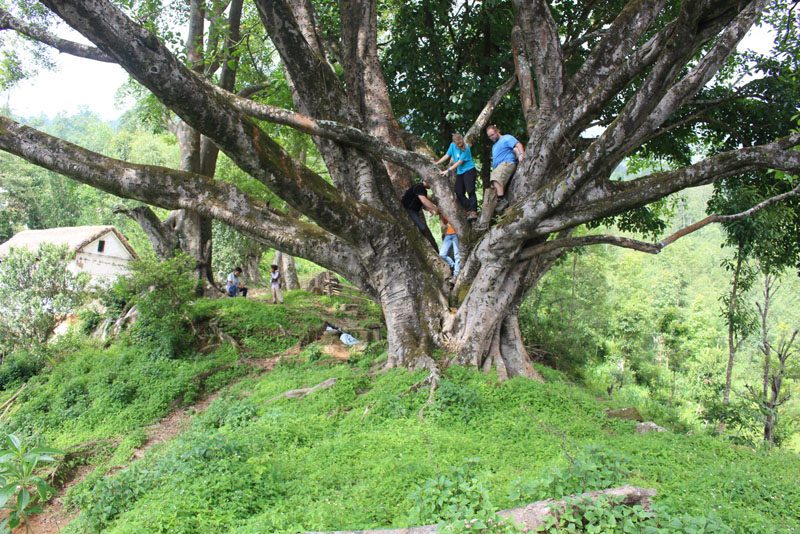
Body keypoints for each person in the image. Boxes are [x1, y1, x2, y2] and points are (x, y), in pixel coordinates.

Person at [435, 133, 478, 221]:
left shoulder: (466, 148)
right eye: (457, 144)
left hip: (469, 170)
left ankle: (473, 211)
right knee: (458, 192)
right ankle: (469, 208)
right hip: (460, 172)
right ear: (454, 143)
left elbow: (459, 162)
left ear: (462, 140)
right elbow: (447, 155)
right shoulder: (452, 146)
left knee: (470, 190)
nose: (459, 145)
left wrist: (447, 170)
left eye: (460, 143)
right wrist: (437, 163)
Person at [486, 125, 524, 213]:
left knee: (495, 176)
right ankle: (498, 207)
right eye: (489, 136)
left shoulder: (506, 138)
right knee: (492, 188)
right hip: (499, 168)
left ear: (497, 131)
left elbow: (517, 145)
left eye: (492, 134)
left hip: (507, 163)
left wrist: (521, 154)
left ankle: (502, 200)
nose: (491, 137)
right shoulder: (494, 146)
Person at [401, 179, 440, 251]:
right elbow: (424, 201)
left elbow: (423, 204)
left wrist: (430, 210)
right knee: (422, 227)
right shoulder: (419, 187)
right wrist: (435, 209)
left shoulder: (423, 191)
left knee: (422, 227)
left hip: (414, 211)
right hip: (409, 210)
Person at [439, 216, 460, 281]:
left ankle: (456, 275)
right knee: (442, 254)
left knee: (457, 255)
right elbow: (445, 223)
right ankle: (453, 265)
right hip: (448, 233)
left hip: (456, 233)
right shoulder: (442, 211)